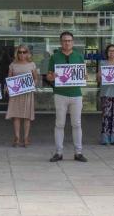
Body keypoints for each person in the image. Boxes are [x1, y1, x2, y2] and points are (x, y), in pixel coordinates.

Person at [46, 31, 87, 162]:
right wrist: (52, 77)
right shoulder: (55, 57)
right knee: (59, 124)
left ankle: (78, 152)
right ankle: (58, 152)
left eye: (69, 40)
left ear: (73, 42)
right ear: (61, 42)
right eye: (65, 40)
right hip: (60, 94)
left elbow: (84, 74)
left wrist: (84, 76)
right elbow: (49, 75)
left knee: (77, 124)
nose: (67, 43)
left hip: (76, 94)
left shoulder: (79, 56)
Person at [5, 44, 38, 147]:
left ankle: (26, 138)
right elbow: (9, 79)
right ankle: (17, 138)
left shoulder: (31, 64)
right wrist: (7, 87)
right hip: (16, 94)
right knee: (16, 116)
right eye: (20, 52)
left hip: (27, 93)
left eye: (24, 52)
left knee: (27, 116)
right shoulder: (12, 65)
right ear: (17, 53)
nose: (22, 54)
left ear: (28, 53)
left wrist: (33, 85)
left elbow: (36, 78)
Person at [97, 44, 114, 145]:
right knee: (106, 116)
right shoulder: (103, 63)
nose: (111, 52)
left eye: (113, 51)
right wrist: (99, 76)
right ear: (107, 53)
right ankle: (105, 138)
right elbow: (99, 79)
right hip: (106, 93)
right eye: (109, 51)